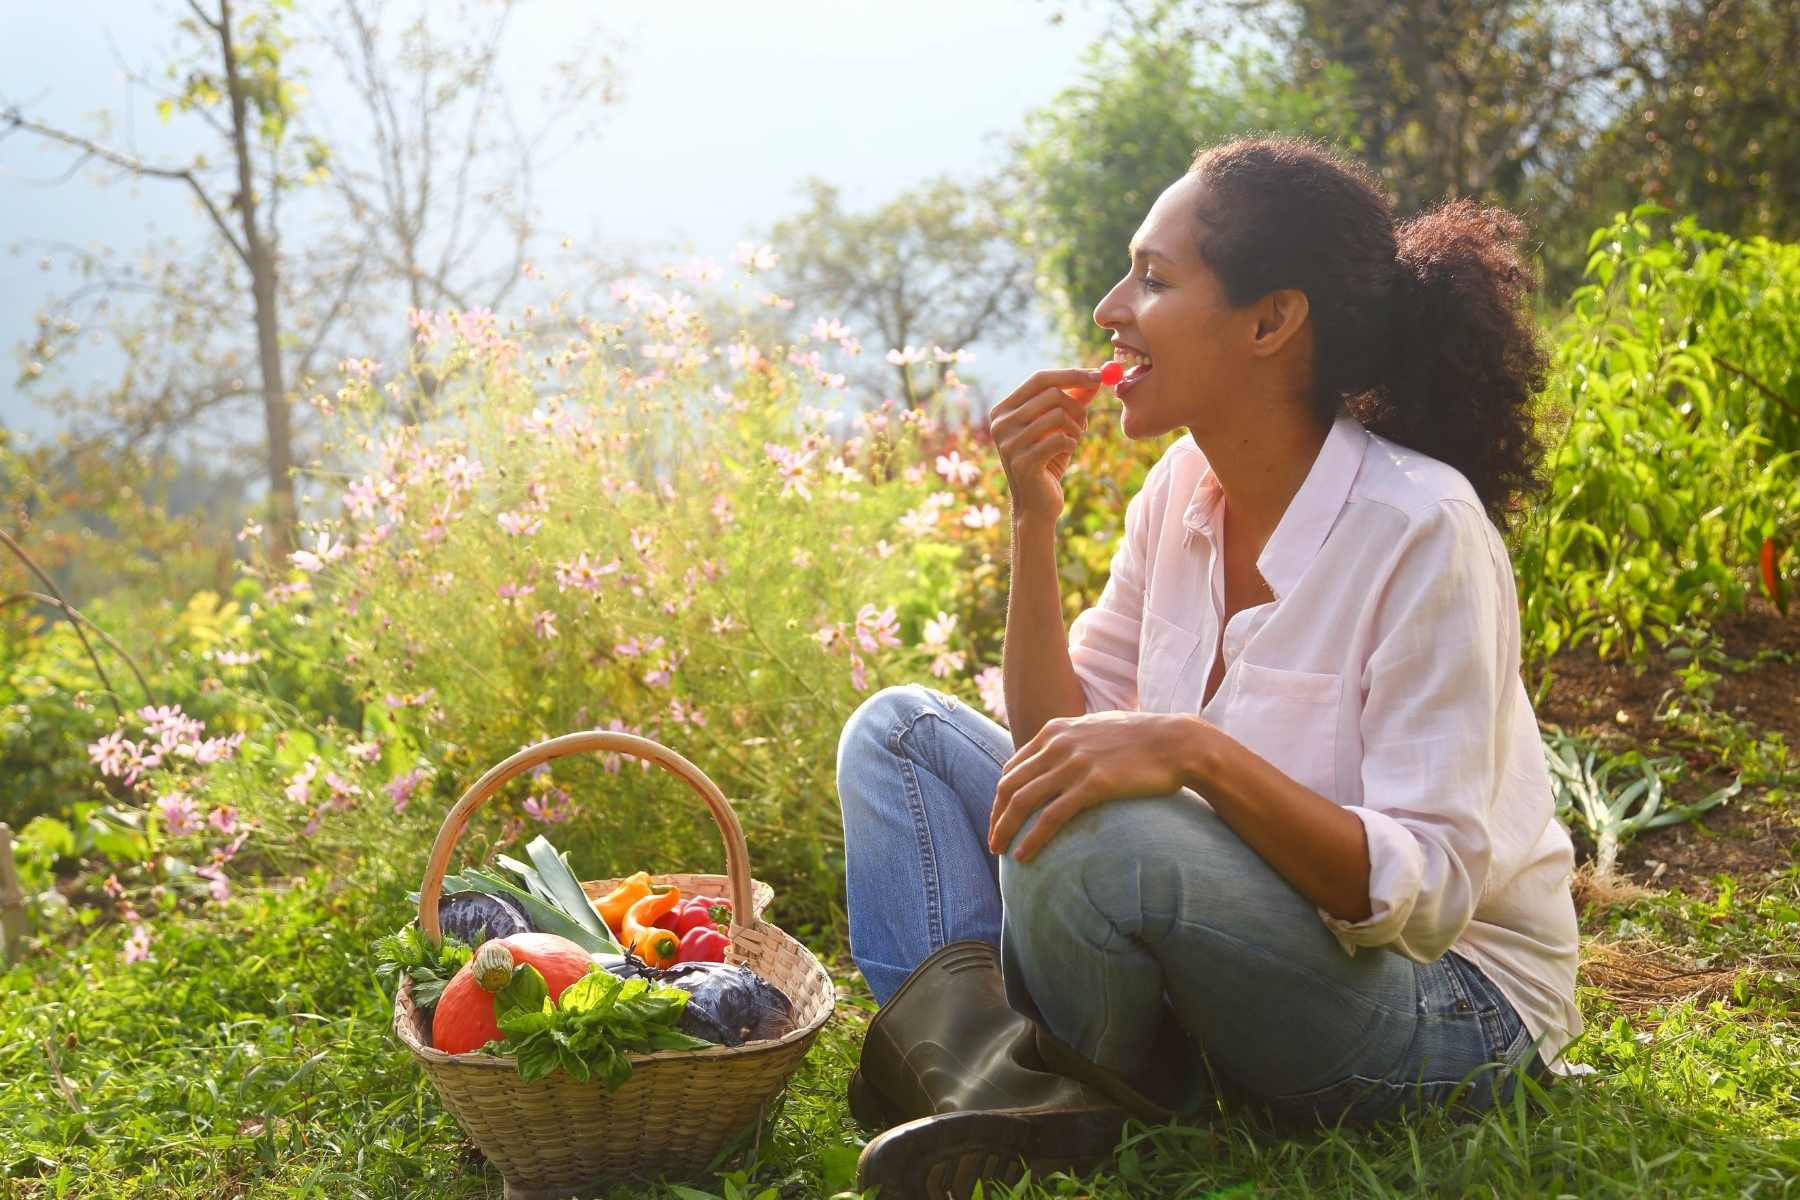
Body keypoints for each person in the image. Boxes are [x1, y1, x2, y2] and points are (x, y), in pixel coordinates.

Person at [835, 137, 1584, 1197]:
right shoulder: (1182, 488)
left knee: (1104, 832)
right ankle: (1010, 1096)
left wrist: (1192, 751)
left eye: (1153, 277)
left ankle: (1042, 1085)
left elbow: (1430, 898)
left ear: (1272, 322)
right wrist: (1032, 525)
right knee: (898, 734)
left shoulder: (1423, 531)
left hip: (1440, 1006)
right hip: (1228, 952)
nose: (1109, 308)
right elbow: (1054, 745)